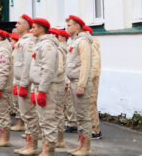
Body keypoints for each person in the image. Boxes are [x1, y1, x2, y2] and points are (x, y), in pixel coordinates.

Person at [29, 18, 62, 156]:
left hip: (47, 87)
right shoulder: (40, 44)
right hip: (39, 85)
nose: (32, 30)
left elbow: (48, 70)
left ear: (41, 29)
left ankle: (49, 150)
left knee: (48, 119)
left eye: (34, 27)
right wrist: (34, 90)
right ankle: (45, 149)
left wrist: (42, 90)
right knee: (42, 120)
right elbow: (36, 69)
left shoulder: (48, 45)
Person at [65, 15, 94, 156]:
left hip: (80, 83)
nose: (67, 28)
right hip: (73, 82)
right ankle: (82, 145)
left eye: (69, 25)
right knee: (79, 115)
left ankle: (86, 148)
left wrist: (81, 85)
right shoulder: (74, 41)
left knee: (83, 116)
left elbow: (85, 64)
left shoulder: (83, 42)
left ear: (77, 26)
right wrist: (68, 82)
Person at [13, 14, 40, 155]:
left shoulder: (28, 42)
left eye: (19, 23)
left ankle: (33, 145)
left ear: (26, 26)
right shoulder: (22, 41)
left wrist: (23, 84)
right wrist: (16, 83)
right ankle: (28, 143)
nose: (16, 25)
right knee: (25, 114)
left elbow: (28, 64)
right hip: (20, 81)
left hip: (27, 83)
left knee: (30, 114)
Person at [83, 26, 102, 140]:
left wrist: (88, 78)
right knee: (87, 104)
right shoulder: (87, 43)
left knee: (90, 103)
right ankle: (90, 129)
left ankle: (95, 130)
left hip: (91, 78)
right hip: (88, 77)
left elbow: (95, 63)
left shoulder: (91, 44)